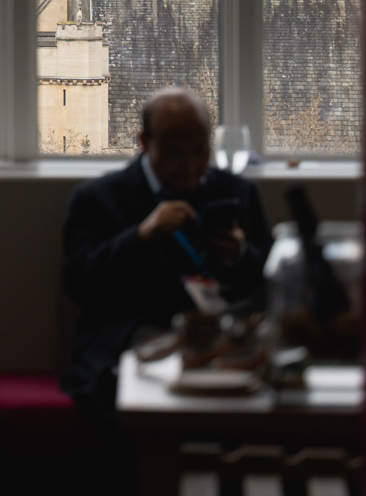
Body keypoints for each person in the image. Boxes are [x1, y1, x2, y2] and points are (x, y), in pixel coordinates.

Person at [60, 86, 274, 423]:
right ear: (144, 143)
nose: (190, 166)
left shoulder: (236, 192)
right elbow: (80, 286)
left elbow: (268, 283)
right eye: (175, 154)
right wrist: (140, 236)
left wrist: (240, 254)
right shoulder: (97, 199)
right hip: (132, 335)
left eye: (200, 151)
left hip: (222, 335)